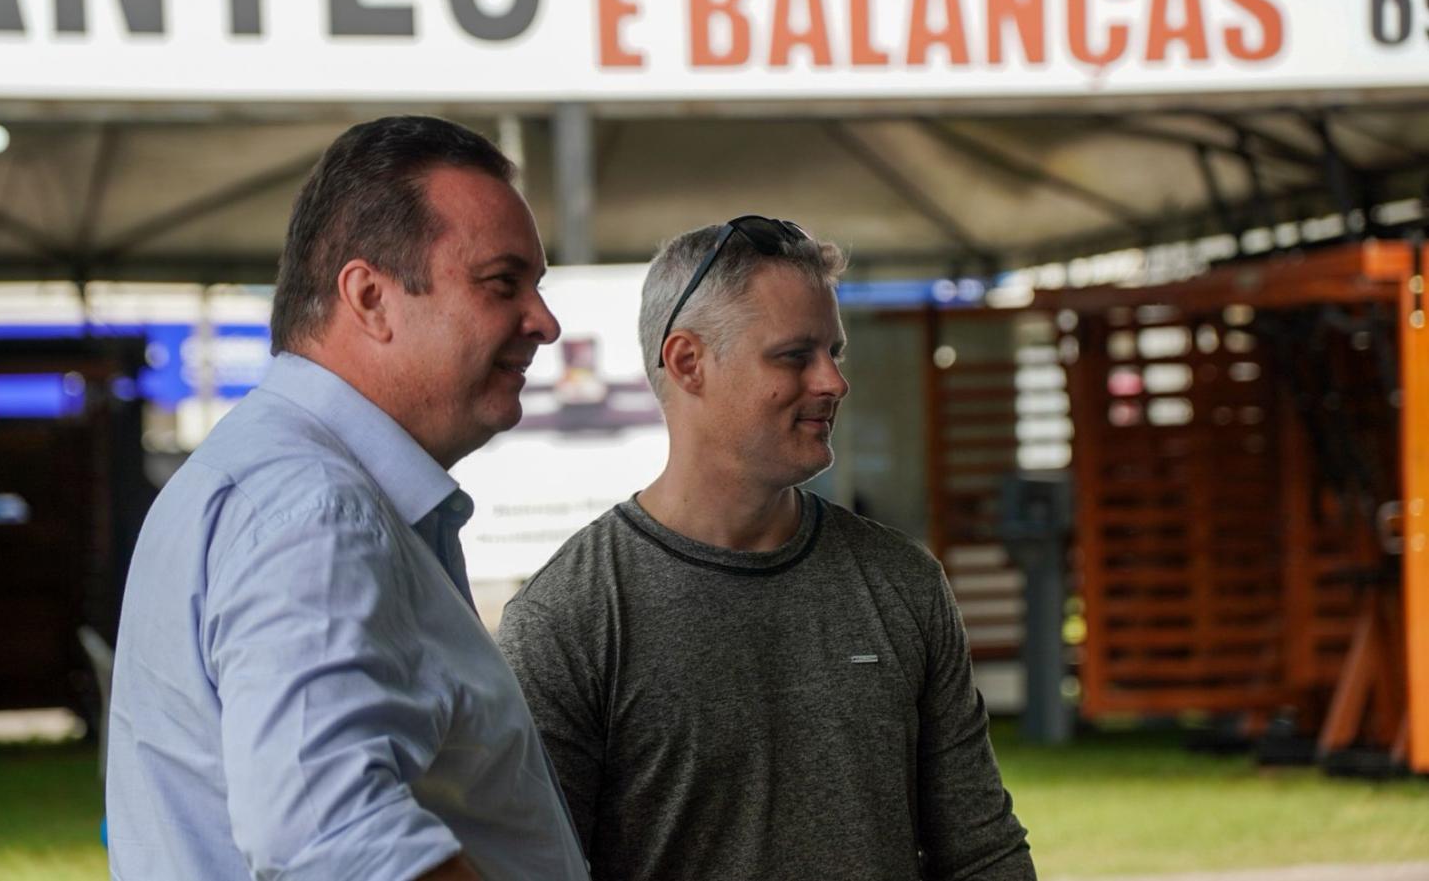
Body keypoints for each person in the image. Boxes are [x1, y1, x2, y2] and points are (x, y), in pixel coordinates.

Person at [106, 116, 589, 881]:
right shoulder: (314, 507)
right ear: (370, 296)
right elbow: (332, 839)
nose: (545, 321)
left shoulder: (284, 480)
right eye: (503, 282)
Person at [497, 216, 1035, 881]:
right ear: (687, 362)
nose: (833, 381)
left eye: (834, 351)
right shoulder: (569, 618)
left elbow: (982, 851)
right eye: (794, 355)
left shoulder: (903, 582)